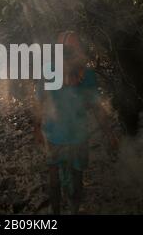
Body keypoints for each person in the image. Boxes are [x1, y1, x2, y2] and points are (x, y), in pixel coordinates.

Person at [33, 31, 117, 215]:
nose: (68, 54)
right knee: (54, 181)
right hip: (54, 136)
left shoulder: (86, 75)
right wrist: (37, 128)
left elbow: (96, 106)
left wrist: (109, 133)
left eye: (72, 50)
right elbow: (40, 102)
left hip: (78, 137)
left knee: (77, 179)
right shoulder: (49, 72)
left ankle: (73, 210)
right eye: (65, 50)